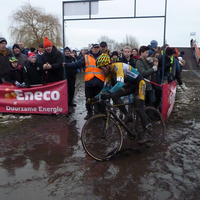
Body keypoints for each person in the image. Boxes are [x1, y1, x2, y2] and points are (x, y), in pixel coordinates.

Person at [94, 53, 152, 144]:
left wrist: (109, 93)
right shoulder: (108, 73)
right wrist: (95, 98)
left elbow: (120, 83)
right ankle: (128, 115)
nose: (101, 71)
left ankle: (148, 132)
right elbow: (105, 88)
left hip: (139, 83)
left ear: (107, 65)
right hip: (130, 85)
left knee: (139, 108)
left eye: (101, 69)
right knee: (114, 96)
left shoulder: (118, 66)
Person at [65, 43, 105, 120]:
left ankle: (100, 114)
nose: (96, 49)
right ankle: (89, 113)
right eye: (95, 48)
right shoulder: (86, 57)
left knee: (100, 99)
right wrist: (66, 65)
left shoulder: (103, 56)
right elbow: (77, 64)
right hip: (89, 81)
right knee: (88, 99)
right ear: (91, 49)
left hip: (99, 81)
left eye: (97, 48)